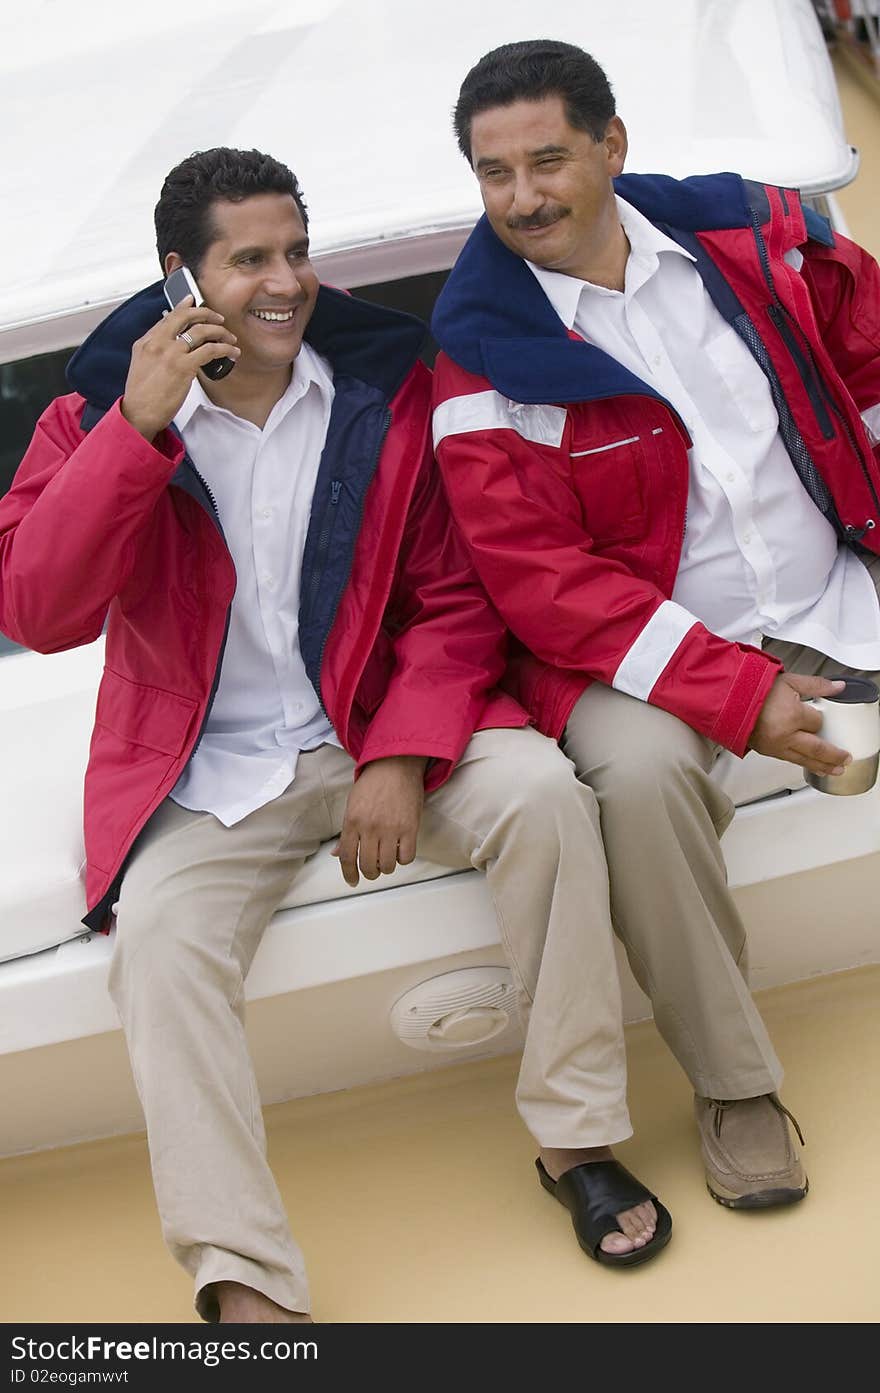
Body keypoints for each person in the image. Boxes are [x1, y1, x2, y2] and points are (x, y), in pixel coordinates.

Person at [0, 146, 675, 1325]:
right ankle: (243, 1274)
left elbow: (454, 593)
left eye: (297, 251)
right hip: (207, 768)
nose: (286, 281)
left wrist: (401, 756)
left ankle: (576, 1142)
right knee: (156, 945)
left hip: (379, 720)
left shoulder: (384, 383)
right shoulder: (90, 412)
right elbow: (40, 612)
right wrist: (135, 431)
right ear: (180, 279)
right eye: (248, 259)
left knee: (545, 799)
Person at [432, 39, 880, 1220]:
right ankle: (736, 1087)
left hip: (836, 589)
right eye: (493, 174)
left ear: (611, 147)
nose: (522, 197)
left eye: (546, 160)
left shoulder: (753, 240)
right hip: (633, 655)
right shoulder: (476, 348)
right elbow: (543, 585)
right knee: (632, 783)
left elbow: (869, 362)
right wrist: (733, 694)